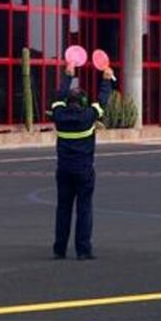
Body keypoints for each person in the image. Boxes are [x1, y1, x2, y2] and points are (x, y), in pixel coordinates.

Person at [50, 61, 114, 260]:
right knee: (84, 209)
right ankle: (83, 250)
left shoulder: (59, 115)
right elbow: (102, 101)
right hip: (84, 170)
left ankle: (60, 249)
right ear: (84, 102)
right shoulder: (88, 116)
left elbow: (58, 98)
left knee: (63, 209)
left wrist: (68, 75)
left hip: (64, 170)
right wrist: (106, 80)